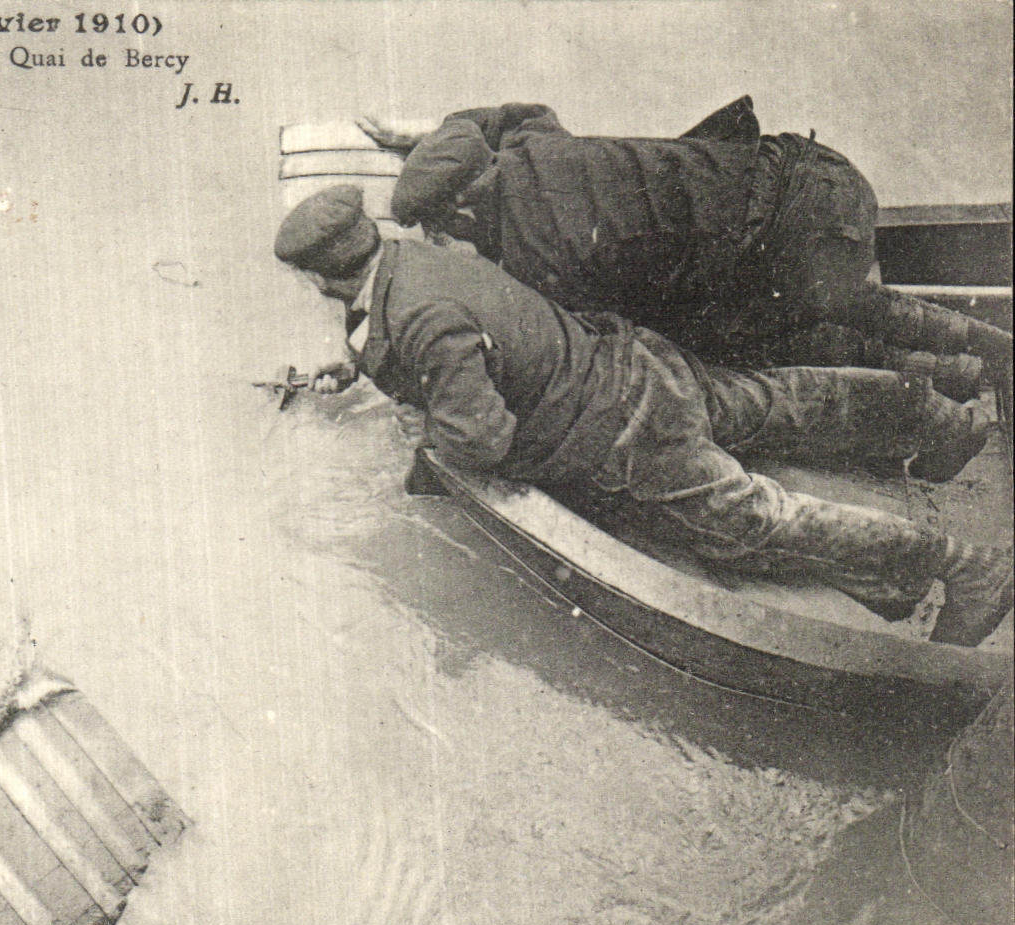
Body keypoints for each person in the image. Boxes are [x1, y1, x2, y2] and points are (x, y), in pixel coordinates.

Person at [274, 185, 1012, 647]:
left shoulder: (416, 316)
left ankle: (965, 567)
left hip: (621, 432)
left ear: (316, 275)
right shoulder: (421, 259)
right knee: (773, 401)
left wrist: (423, 429)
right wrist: (372, 367)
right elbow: (465, 334)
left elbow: (483, 435)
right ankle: (942, 421)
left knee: (753, 520)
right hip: (635, 363)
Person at [358, 97, 1008, 400]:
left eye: (440, 228)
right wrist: (433, 136)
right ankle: (984, 355)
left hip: (807, 248)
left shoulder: (541, 257)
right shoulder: (531, 144)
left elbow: (596, 344)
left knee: (717, 348)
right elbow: (494, 119)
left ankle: (959, 373)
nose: (441, 242)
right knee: (831, 298)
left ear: (466, 207)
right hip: (818, 172)